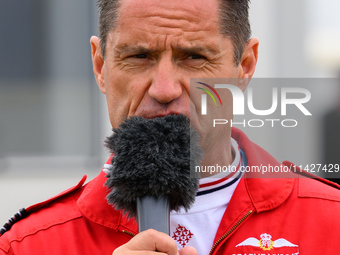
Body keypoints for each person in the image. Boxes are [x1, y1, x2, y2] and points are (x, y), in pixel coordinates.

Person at [1, 0, 340, 254]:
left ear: (244, 67)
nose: (164, 89)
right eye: (138, 57)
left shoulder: (331, 225)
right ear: (100, 66)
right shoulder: (27, 245)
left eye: (194, 57)